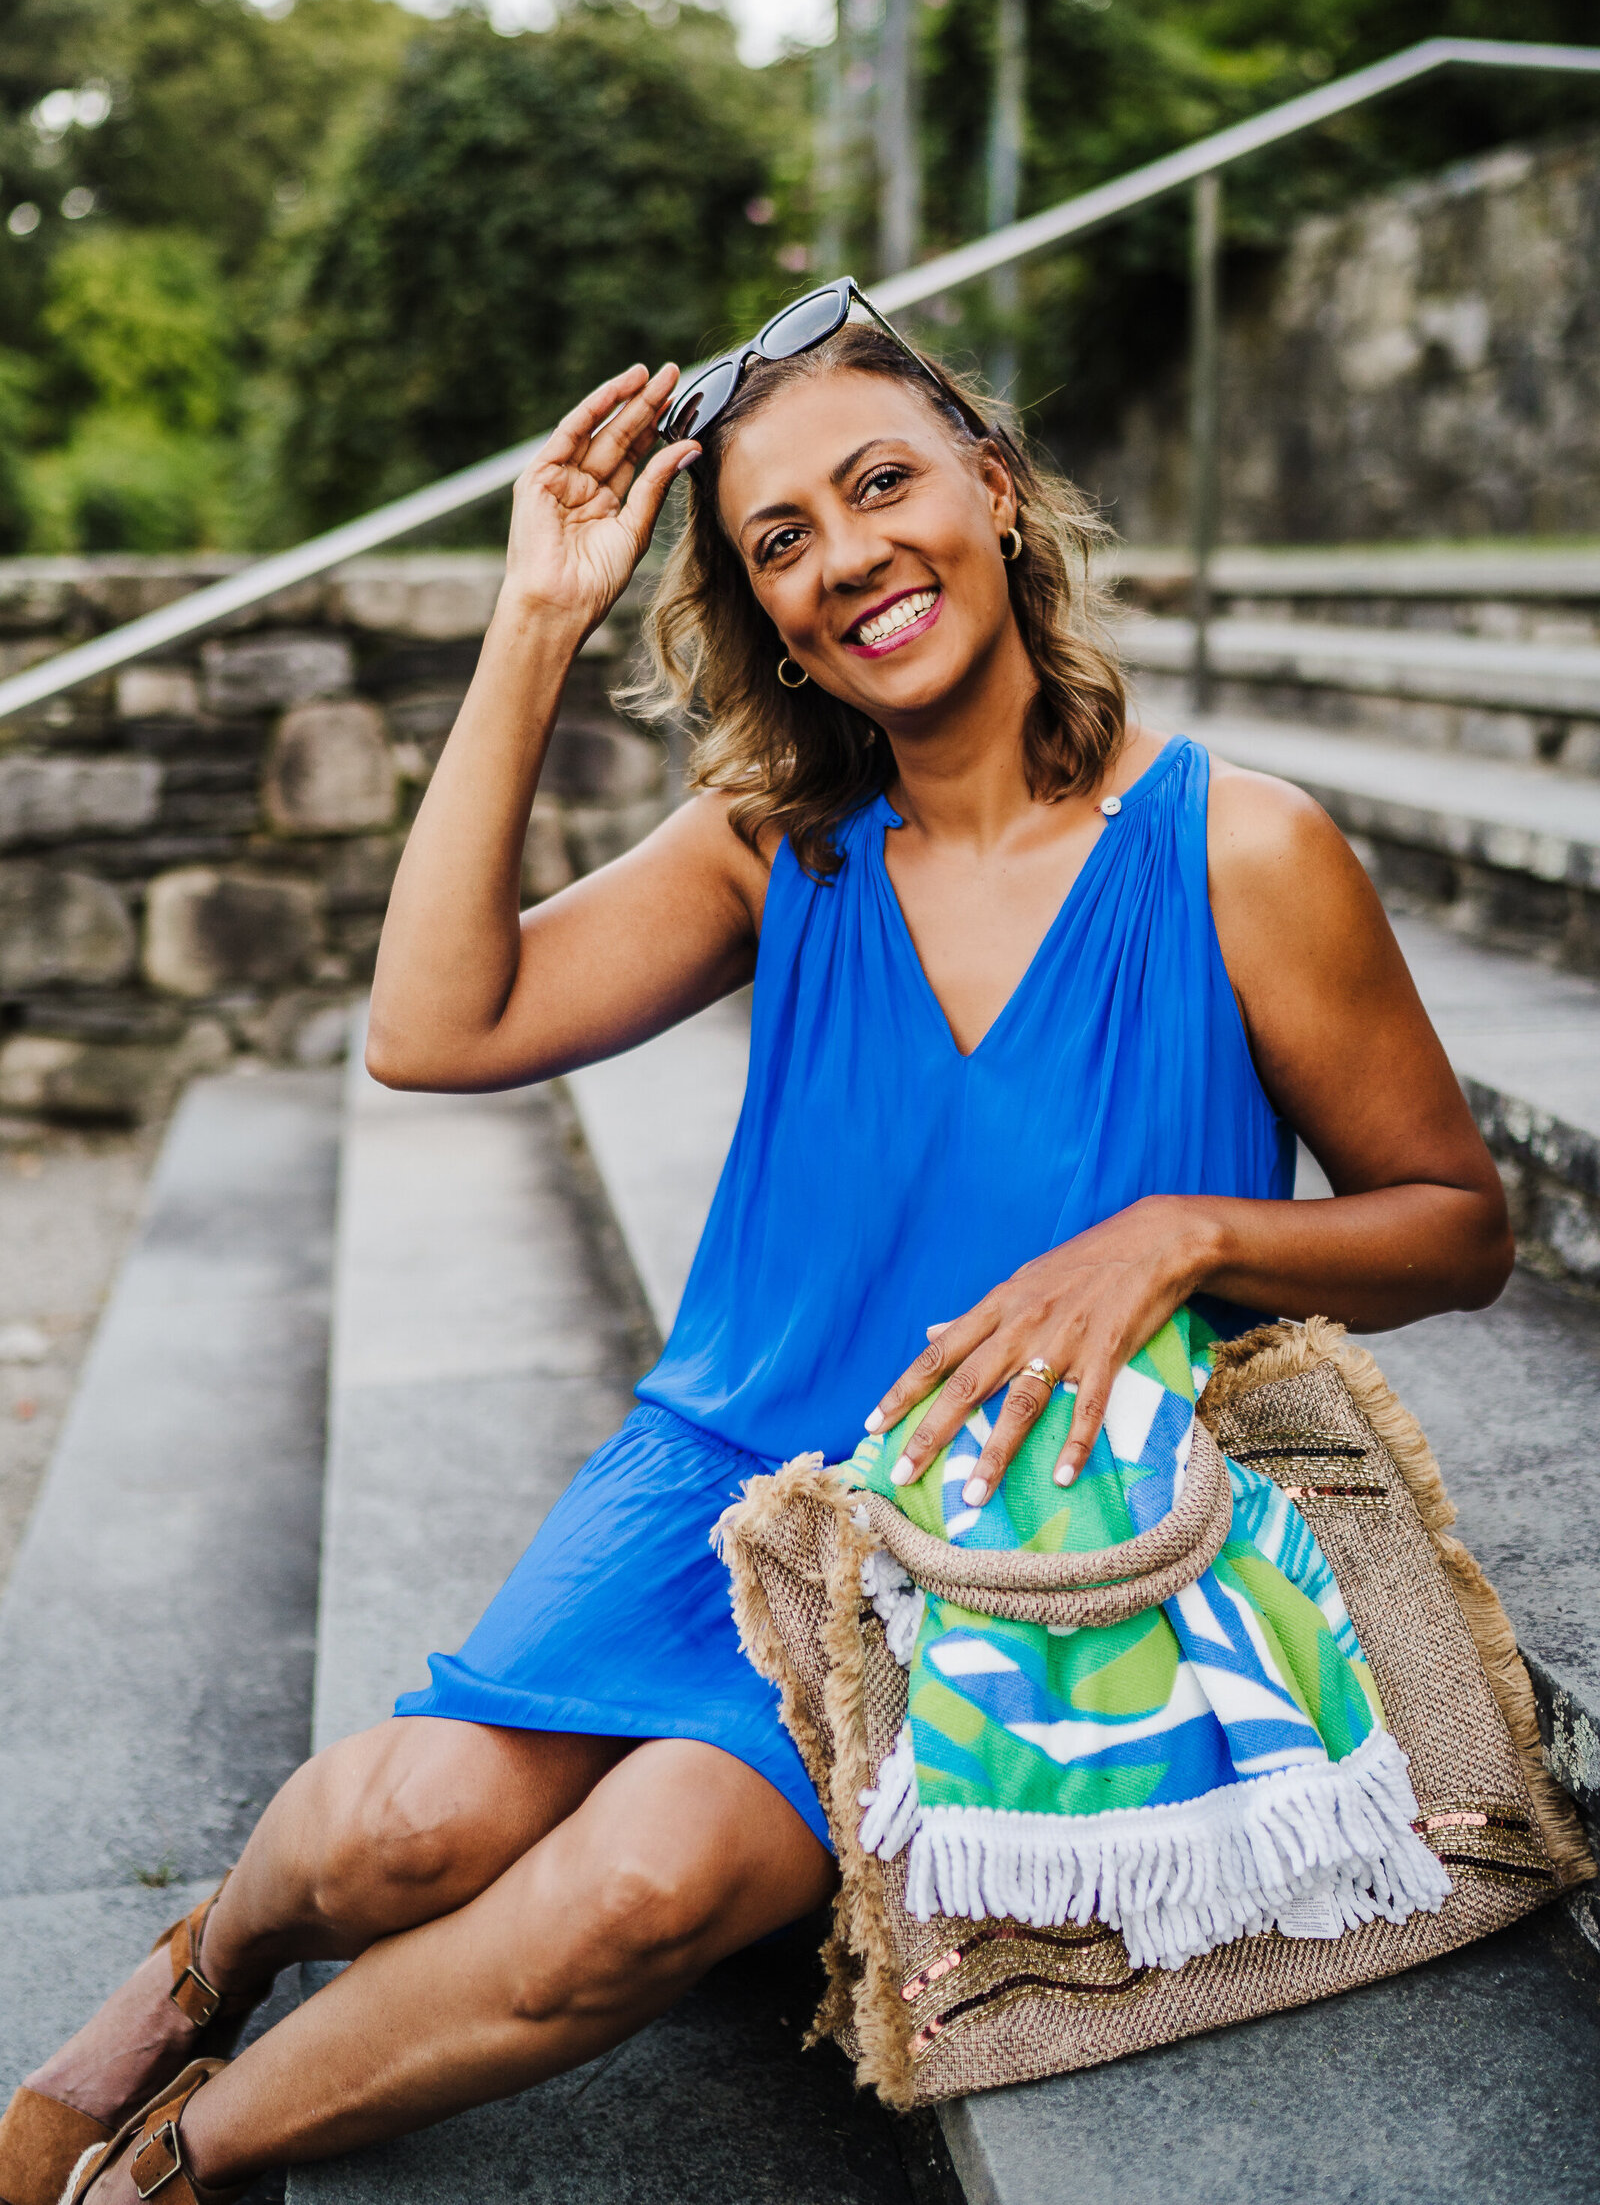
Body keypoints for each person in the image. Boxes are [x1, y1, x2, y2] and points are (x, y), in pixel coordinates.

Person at [3, 297, 1512, 2205]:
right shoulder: (776, 843)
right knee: (399, 1824)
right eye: (781, 539)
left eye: (881, 484)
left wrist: (1190, 1231)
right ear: (760, 606)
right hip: (725, 1465)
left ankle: (162, 2170)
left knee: (641, 1885)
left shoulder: (1243, 853)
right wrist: (538, 613)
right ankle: (187, 1976)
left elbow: (1462, 1229)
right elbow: (432, 1029)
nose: (847, 560)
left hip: (981, 1538)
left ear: (995, 486)